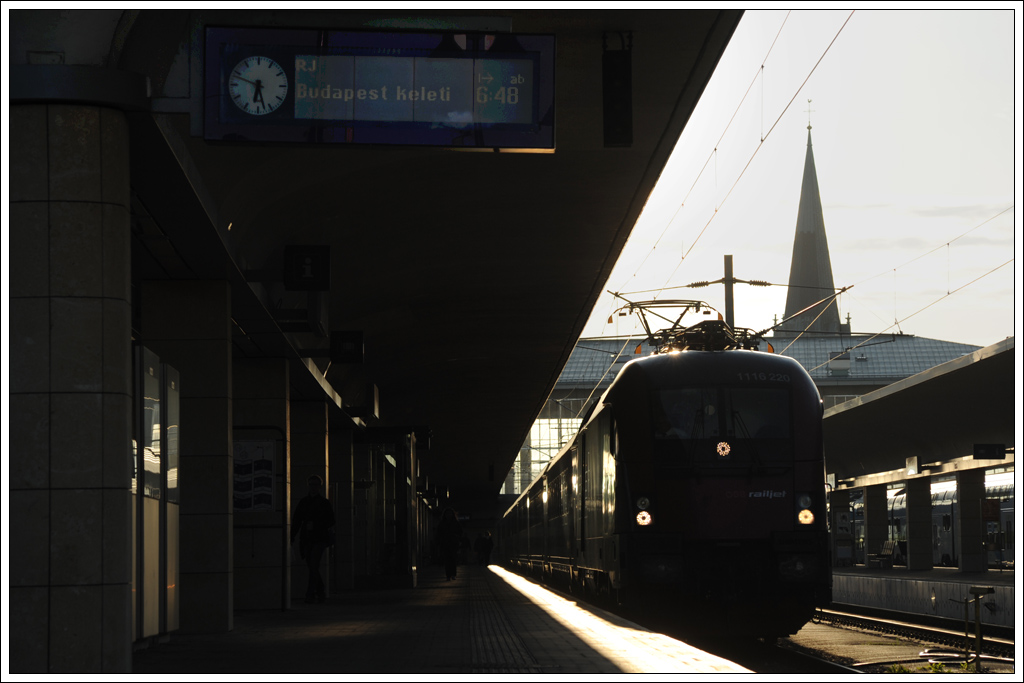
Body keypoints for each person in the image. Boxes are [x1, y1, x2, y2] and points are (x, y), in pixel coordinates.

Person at [291, 474, 335, 603]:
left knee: (313, 564)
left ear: (320, 487)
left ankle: (310, 594)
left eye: (315, 485)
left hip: (319, 538)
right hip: (308, 538)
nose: (313, 487)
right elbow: (297, 520)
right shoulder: (305, 502)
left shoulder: (323, 503)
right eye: (311, 485)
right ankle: (320, 590)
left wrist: (316, 525)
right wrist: (292, 535)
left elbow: (331, 520)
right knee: (312, 565)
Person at [437, 507, 463, 581]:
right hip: (447, 543)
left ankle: (451, 574)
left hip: (451, 543)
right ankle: (450, 575)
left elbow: (460, 532)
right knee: (448, 560)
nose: (449, 515)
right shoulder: (453, 523)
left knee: (452, 559)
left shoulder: (443, 523)